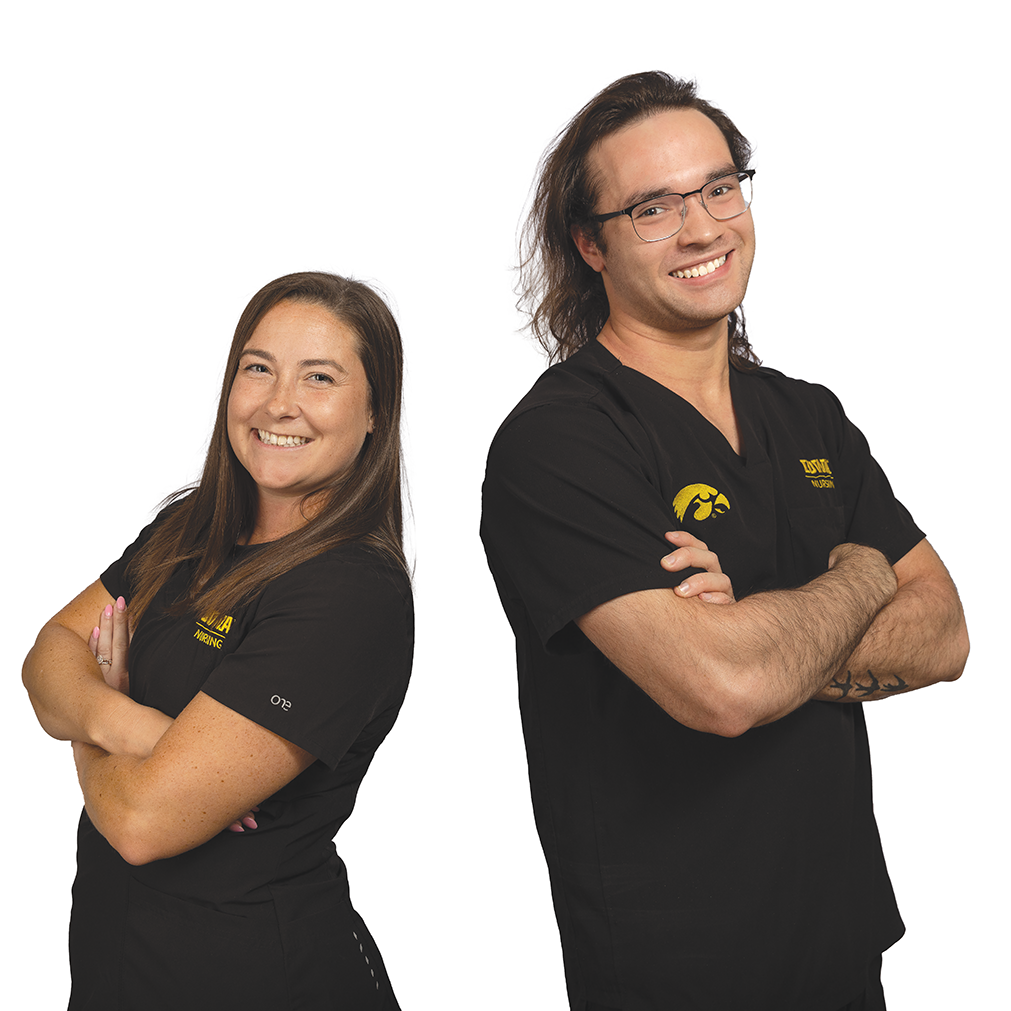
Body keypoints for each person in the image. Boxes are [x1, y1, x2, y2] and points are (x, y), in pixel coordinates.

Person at [481, 73, 969, 1011]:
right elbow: (724, 689)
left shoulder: (807, 415)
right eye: (652, 207)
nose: (703, 227)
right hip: (674, 967)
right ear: (590, 243)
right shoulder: (561, 443)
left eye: (719, 187)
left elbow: (945, 632)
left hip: (840, 943)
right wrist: (861, 572)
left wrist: (754, 630)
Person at [23, 271, 412, 1010]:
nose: (278, 403)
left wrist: (87, 723)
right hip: (120, 963)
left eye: (319, 377)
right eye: (257, 367)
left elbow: (141, 822)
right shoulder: (193, 526)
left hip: (263, 973)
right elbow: (47, 655)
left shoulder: (349, 591)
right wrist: (127, 723)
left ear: (374, 413)